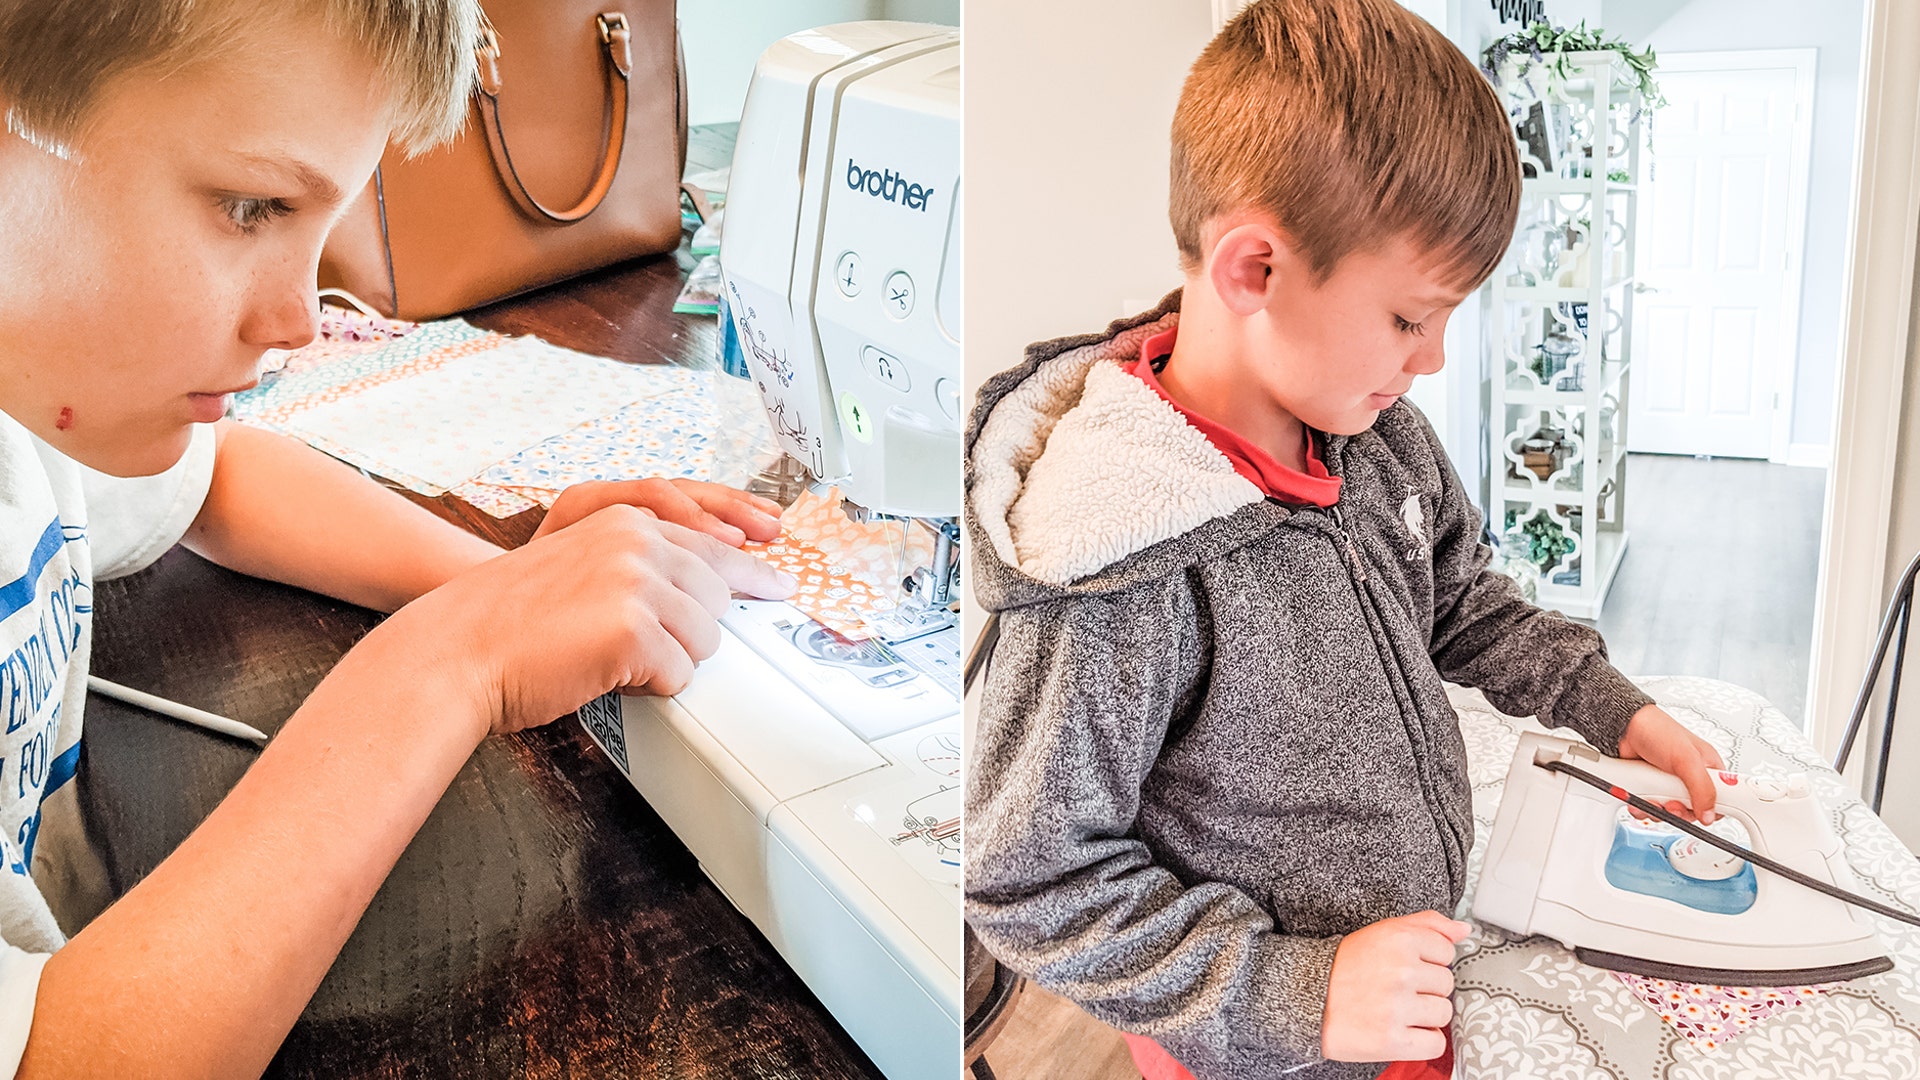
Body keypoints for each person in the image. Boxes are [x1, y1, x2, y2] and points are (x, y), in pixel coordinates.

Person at [0, 1, 797, 1074]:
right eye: (250, 207)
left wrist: (512, 589)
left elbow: (220, 475)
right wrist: (455, 659)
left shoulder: (48, 408)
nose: (299, 321)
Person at [961, 2, 1724, 1078]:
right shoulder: (1115, 566)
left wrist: (1612, 706)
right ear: (1255, 271)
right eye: (1412, 319)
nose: (1436, 359)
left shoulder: (1381, 440)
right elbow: (1026, 879)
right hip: (1270, 1045)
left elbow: (1461, 602)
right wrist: (1300, 996)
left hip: (1401, 990)